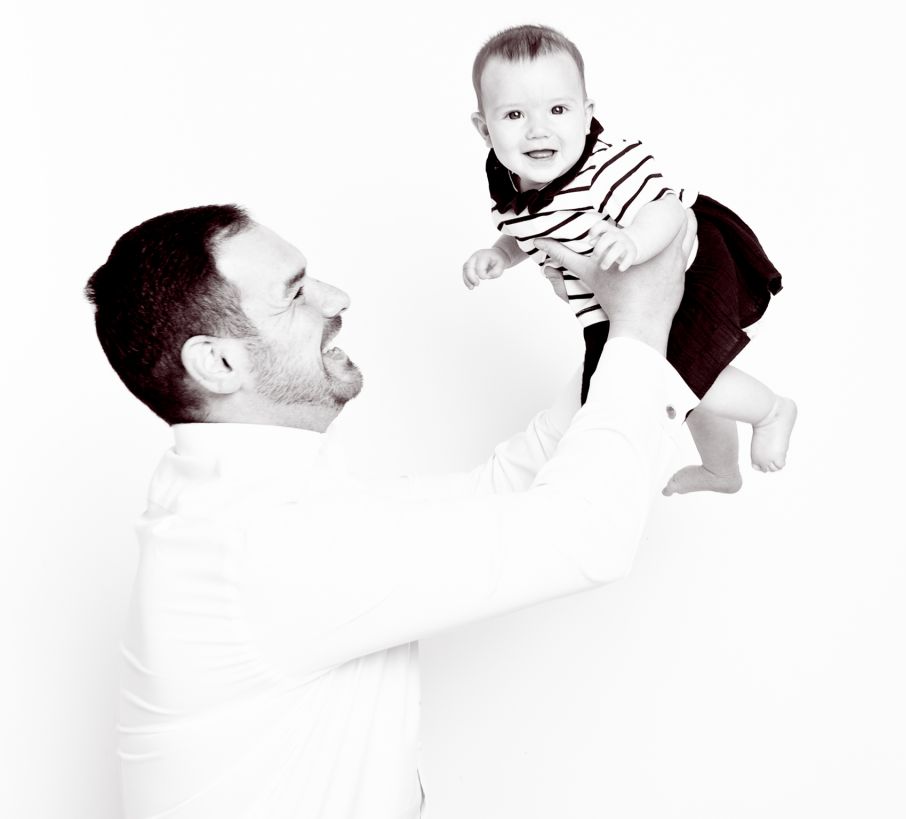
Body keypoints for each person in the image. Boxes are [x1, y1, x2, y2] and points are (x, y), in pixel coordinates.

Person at [85, 203, 699, 819]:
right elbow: (586, 536)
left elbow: (506, 489)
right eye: (295, 294)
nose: (335, 297)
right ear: (219, 363)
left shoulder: (250, 500)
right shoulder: (258, 546)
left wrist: (623, 328)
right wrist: (639, 323)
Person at [462, 24, 797, 495]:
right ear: (484, 128)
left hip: (683, 268)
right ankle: (723, 471)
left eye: (558, 109)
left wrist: (635, 241)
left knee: (677, 376)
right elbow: (527, 230)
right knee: (675, 387)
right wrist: (499, 253)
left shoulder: (606, 167)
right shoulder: (514, 187)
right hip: (616, 305)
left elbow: (668, 210)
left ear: (586, 114)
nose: (538, 129)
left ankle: (772, 410)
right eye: (514, 114)